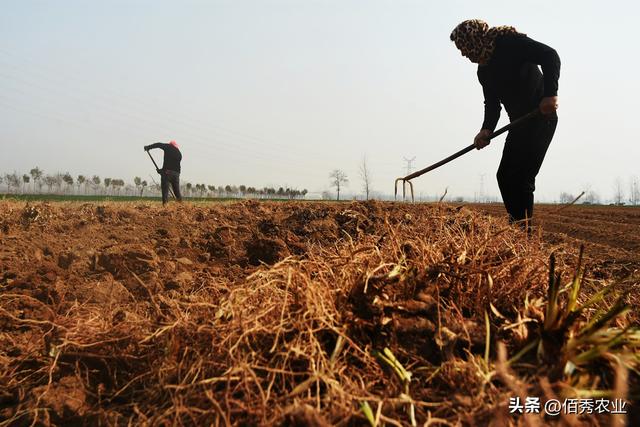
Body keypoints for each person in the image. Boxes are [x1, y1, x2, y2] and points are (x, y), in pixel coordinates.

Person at [450, 19, 560, 230]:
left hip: (540, 118)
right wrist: (486, 129)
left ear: (475, 40)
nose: (463, 54)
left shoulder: (509, 43)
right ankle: (517, 226)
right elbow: (492, 105)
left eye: (463, 47)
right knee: (504, 176)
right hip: (518, 123)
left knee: (522, 178)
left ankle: (524, 234)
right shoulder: (484, 71)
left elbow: (550, 56)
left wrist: (550, 95)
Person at [144, 140, 183, 205]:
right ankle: (181, 206)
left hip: (167, 173)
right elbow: (171, 164)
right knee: (177, 192)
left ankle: (165, 207)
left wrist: (148, 147)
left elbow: (158, 144)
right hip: (176, 174)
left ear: (170, 144)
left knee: (165, 192)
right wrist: (161, 171)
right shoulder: (179, 153)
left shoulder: (168, 147)